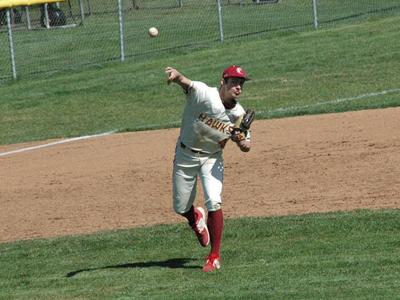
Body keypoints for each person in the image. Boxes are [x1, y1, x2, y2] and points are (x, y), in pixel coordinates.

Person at [165, 65, 252, 272]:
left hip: (212, 158)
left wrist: (239, 140)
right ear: (223, 82)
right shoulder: (205, 94)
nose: (238, 87)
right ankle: (194, 217)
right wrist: (177, 76)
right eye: (234, 82)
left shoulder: (239, 114)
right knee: (180, 207)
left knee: (213, 200)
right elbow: (187, 83)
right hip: (185, 154)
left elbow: (247, 146)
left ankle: (214, 256)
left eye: (241, 83)